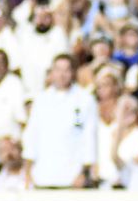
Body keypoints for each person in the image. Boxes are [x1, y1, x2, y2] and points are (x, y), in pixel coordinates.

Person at [21, 54, 98, 189]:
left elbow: (89, 136)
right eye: (58, 70)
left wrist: (84, 172)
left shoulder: (85, 99)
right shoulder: (41, 100)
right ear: (52, 73)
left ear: (73, 72)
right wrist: (27, 172)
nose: (62, 75)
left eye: (66, 70)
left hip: (72, 177)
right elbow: (32, 135)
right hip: (42, 176)